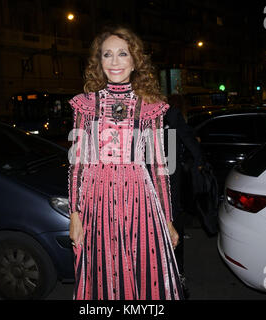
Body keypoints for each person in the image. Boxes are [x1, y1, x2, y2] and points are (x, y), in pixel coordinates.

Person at [68, 26, 184, 300]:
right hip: (96, 201)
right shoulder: (87, 105)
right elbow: (77, 164)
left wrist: (167, 219)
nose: (115, 61)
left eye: (123, 54)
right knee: (103, 275)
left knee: (143, 272)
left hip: (140, 201)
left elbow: (159, 167)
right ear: (99, 62)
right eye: (107, 55)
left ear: (135, 62)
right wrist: (75, 214)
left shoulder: (150, 105)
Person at [164, 94, 204, 299]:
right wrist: (198, 159)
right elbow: (189, 141)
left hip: (148, 178)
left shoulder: (146, 114)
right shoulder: (172, 115)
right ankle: (177, 276)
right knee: (174, 227)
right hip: (169, 180)